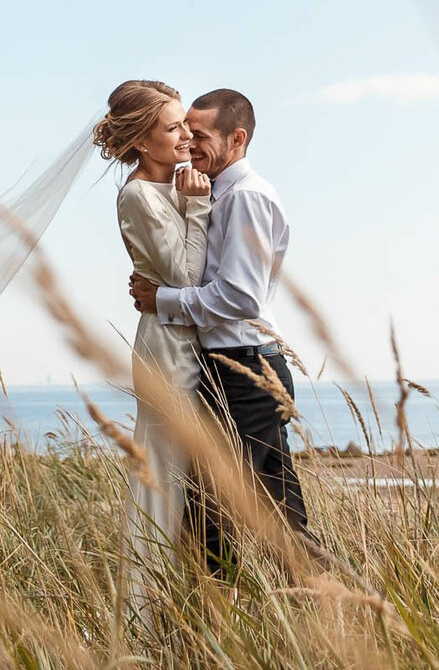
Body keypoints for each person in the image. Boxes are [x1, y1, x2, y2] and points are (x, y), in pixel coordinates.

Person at [129, 87, 313, 578]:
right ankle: (213, 627)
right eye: (183, 129)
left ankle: (326, 615)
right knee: (212, 517)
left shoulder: (247, 198)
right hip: (223, 369)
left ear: (237, 138)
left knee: (271, 518)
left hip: (249, 372)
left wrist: (161, 300)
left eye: (201, 134)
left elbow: (240, 298)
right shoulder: (214, 192)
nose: (190, 141)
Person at [93, 79, 210, 615]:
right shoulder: (140, 194)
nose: (187, 135)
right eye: (173, 127)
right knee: (164, 478)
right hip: (167, 350)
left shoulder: (181, 183)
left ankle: (183, 607)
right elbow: (185, 275)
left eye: (185, 123)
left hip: (187, 339)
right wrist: (197, 207)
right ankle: (143, 616)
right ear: (142, 140)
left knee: (193, 485)